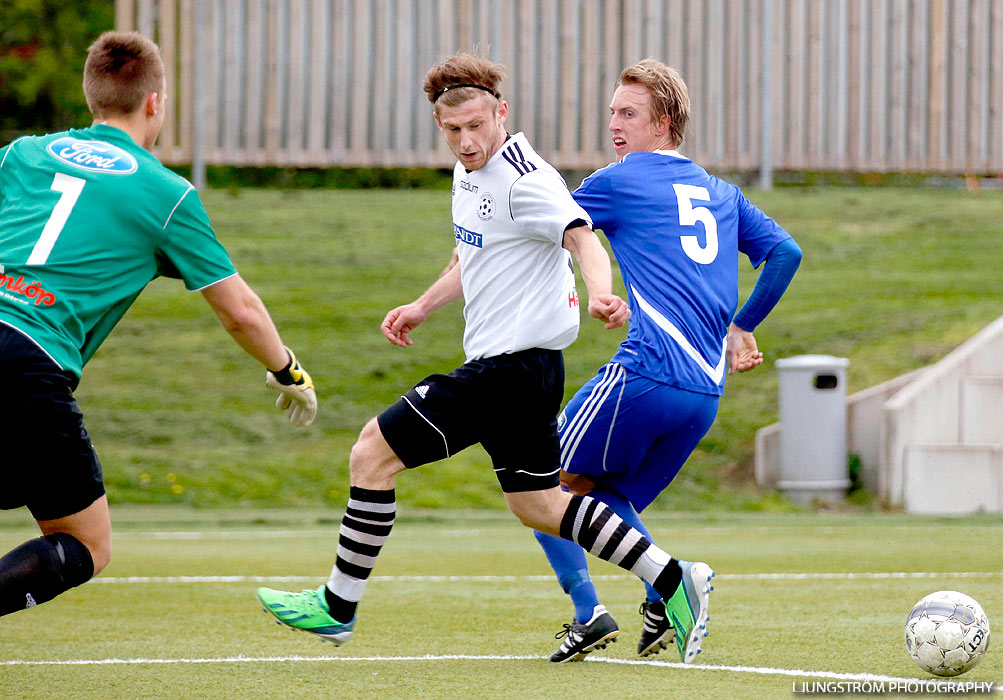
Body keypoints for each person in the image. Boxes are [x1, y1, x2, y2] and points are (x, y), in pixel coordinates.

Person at [255, 53, 715, 664]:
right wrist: (423, 305)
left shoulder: (528, 176)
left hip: (508, 371)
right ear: (440, 125)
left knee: (371, 452)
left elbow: (582, 238)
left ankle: (338, 606)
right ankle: (671, 577)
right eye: (453, 131)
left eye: (477, 126)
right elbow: (478, 253)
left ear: (501, 113)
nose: (467, 142)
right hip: (525, 374)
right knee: (542, 506)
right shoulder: (469, 173)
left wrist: (602, 292)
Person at [0, 31, 317, 617]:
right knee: (85, 543)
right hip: (28, 364)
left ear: (92, 96)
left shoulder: (21, 155)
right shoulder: (167, 195)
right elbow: (240, 311)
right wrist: (288, 370)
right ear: (155, 102)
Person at [532, 58, 803, 663]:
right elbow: (785, 253)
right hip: (702, 394)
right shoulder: (723, 192)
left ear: (665, 123)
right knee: (599, 502)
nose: (613, 124)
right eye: (611, 112)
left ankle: (606, 606)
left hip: (648, 373)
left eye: (627, 113)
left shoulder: (622, 179)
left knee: (537, 482)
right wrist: (741, 326)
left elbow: (552, 227)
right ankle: (663, 597)